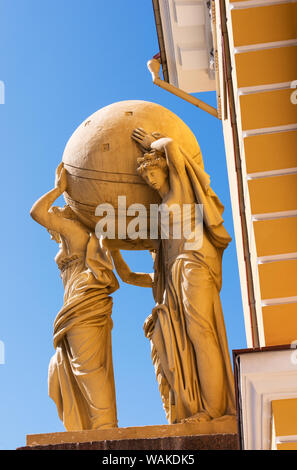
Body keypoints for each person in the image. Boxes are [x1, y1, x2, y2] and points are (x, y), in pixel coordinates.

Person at [109, 128, 236, 424]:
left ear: (164, 169)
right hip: (178, 267)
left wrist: (153, 143)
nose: (150, 180)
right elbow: (137, 266)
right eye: (146, 177)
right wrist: (111, 246)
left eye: (153, 172)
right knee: (188, 336)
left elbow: (172, 148)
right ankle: (205, 406)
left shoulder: (179, 191)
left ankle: (214, 411)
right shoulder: (162, 205)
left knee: (200, 332)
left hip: (193, 262)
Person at [30, 162, 119, 431]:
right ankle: (98, 423)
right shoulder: (70, 238)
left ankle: (104, 425)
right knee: (71, 367)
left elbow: (36, 212)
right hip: (76, 303)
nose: (52, 227)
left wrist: (59, 189)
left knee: (86, 366)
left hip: (83, 302)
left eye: (57, 216)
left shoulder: (74, 231)